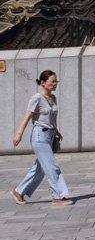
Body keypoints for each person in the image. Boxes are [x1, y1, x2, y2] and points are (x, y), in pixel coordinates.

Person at [9, 70, 73, 206]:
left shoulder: (53, 98)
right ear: (43, 83)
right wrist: (19, 133)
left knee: (40, 169)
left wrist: (57, 131)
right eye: (52, 81)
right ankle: (58, 196)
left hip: (49, 135)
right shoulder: (36, 98)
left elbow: (51, 118)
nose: (55, 84)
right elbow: (27, 116)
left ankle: (18, 192)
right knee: (51, 166)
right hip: (39, 136)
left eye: (56, 81)